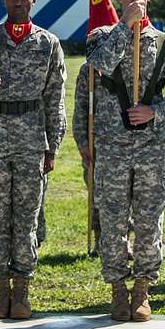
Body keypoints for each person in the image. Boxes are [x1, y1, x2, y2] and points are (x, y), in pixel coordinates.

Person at [87, 0, 165, 322]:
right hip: (113, 145)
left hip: (152, 146)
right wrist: (124, 27)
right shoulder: (101, 36)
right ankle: (118, 289)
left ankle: (143, 288)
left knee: (149, 221)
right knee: (113, 219)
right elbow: (98, 65)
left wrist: (154, 111)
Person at [0, 0, 66, 320]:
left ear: (33, 1)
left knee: (26, 218)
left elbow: (55, 98)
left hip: (31, 140)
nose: (19, 4)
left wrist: (52, 146)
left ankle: (21, 288)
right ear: (3, 3)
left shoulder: (48, 43)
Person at [72, 60, 101, 256]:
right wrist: (82, 141)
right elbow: (81, 107)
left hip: (126, 142)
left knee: (129, 195)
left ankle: (125, 242)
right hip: (95, 142)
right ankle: (100, 241)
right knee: (97, 193)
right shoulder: (88, 70)